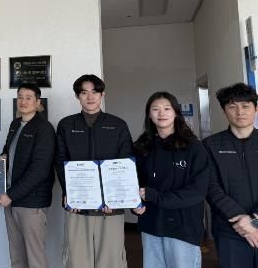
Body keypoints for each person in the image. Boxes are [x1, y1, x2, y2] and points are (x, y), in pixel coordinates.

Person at [55, 74, 133, 268]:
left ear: (102, 94)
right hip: (78, 206)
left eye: (95, 92)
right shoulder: (66, 125)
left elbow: (125, 163)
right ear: (77, 96)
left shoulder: (118, 125)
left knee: (111, 261)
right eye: (84, 92)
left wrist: (115, 197)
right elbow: (60, 161)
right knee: (77, 260)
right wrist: (69, 193)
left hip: (111, 208)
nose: (90, 97)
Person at [133, 91, 208, 268]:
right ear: (149, 115)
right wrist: (135, 203)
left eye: (167, 108)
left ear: (176, 113)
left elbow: (197, 191)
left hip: (183, 227)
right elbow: (134, 183)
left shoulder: (193, 147)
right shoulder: (142, 147)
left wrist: (155, 196)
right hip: (151, 224)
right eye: (155, 109)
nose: (161, 113)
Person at [0, 83, 56, 268]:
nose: (23, 101)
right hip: (11, 200)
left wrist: (11, 195)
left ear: (38, 102)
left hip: (31, 203)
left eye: (28, 98)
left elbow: (40, 169)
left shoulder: (44, 128)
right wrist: (4, 156)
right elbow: (8, 149)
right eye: (20, 97)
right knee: (17, 256)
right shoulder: (15, 124)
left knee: (35, 258)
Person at [204, 82, 258, 267]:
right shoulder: (211, 145)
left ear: (256, 109)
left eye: (245, 106)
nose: (239, 112)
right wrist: (241, 219)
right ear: (224, 111)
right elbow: (210, 187)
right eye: (232, 107)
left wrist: (254, 220)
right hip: (230, 229)